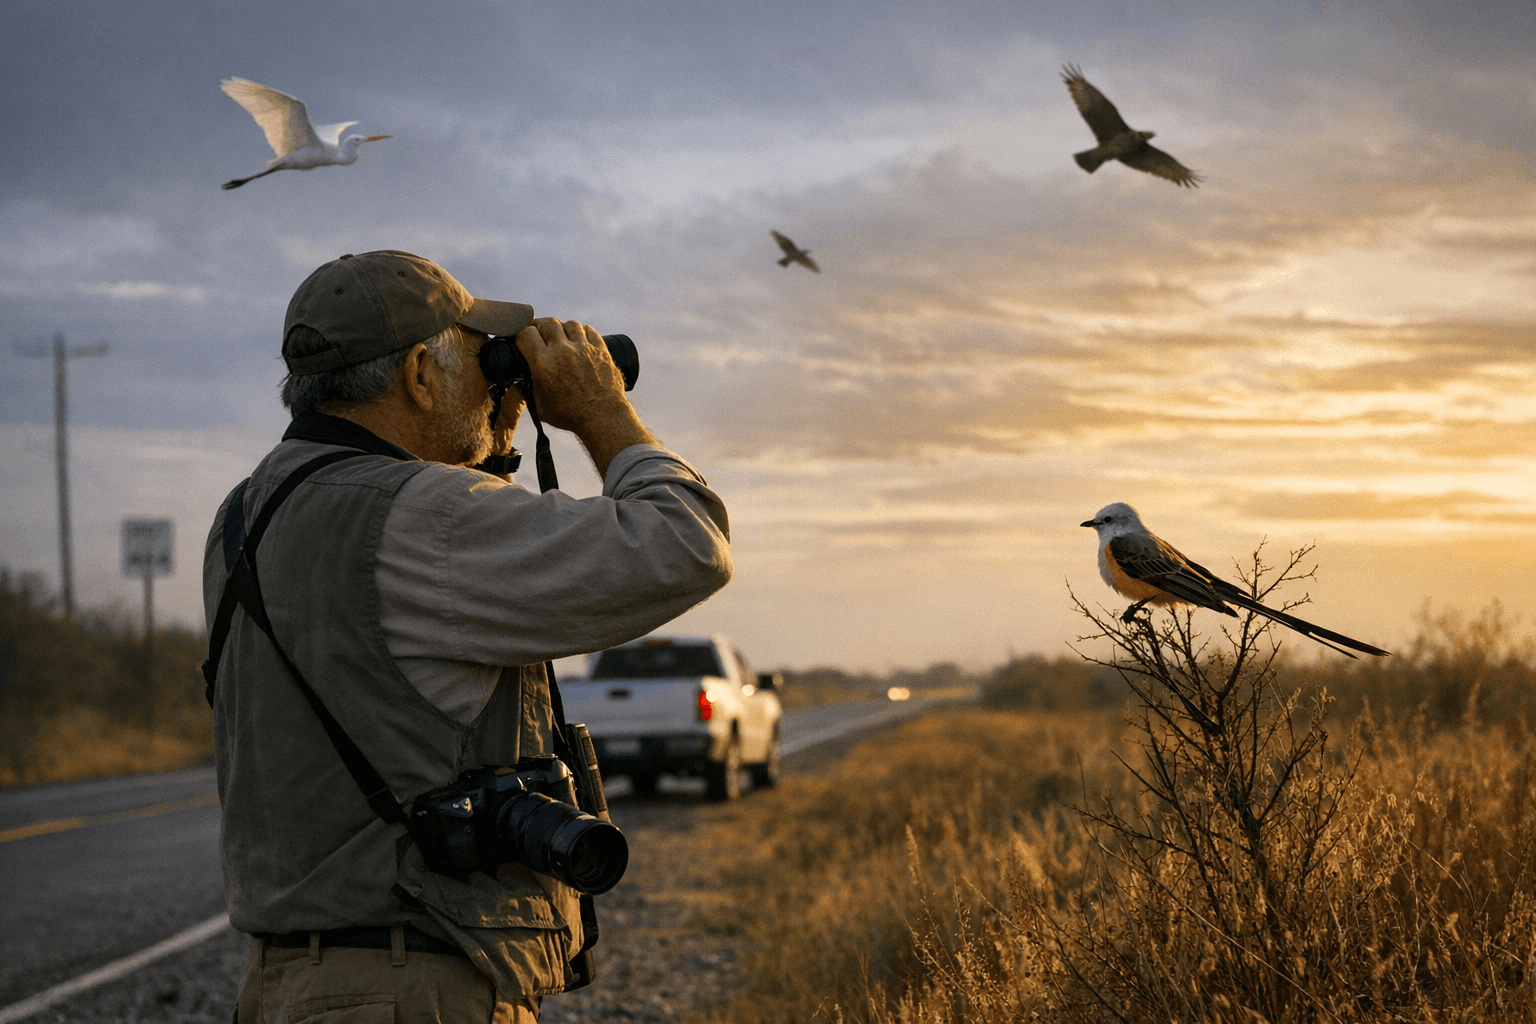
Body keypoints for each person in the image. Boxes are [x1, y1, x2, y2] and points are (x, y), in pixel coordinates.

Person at [202, 249, 732, 1023]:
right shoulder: (425, 516)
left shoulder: (244, 517)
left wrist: (491, 439)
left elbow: (420, 608)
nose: (495, 379)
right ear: (420, 373)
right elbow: (688, 542)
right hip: (413, 989)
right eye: (476, 358)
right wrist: (599, 411)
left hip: (286, 985)